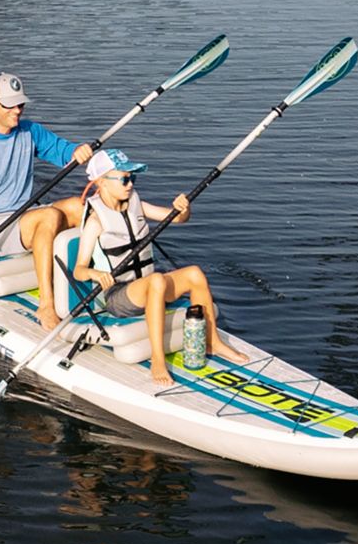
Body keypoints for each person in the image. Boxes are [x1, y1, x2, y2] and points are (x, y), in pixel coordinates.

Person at [70, 149, 235, 385]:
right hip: (120, 296)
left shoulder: (136, 204)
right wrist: (96, 274)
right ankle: (158, 359)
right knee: (157, 280)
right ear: (101, 182)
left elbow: (177, 218)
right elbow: (79, 269)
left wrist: (183, 208)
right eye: (125, 179)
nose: (130, 185)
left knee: (194, 274)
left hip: (149, 287)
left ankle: (213, 341)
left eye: (133, 179)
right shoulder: (95, 222)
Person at [0, 72, 93, 328]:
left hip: (24, 216)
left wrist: (77, 151)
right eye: (9, 105)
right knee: (49, 216)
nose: (17, 110)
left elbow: (60, 151)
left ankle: (93, 281)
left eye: (20, 104)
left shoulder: (29, 131)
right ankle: (47, 305)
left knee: (81, 207)